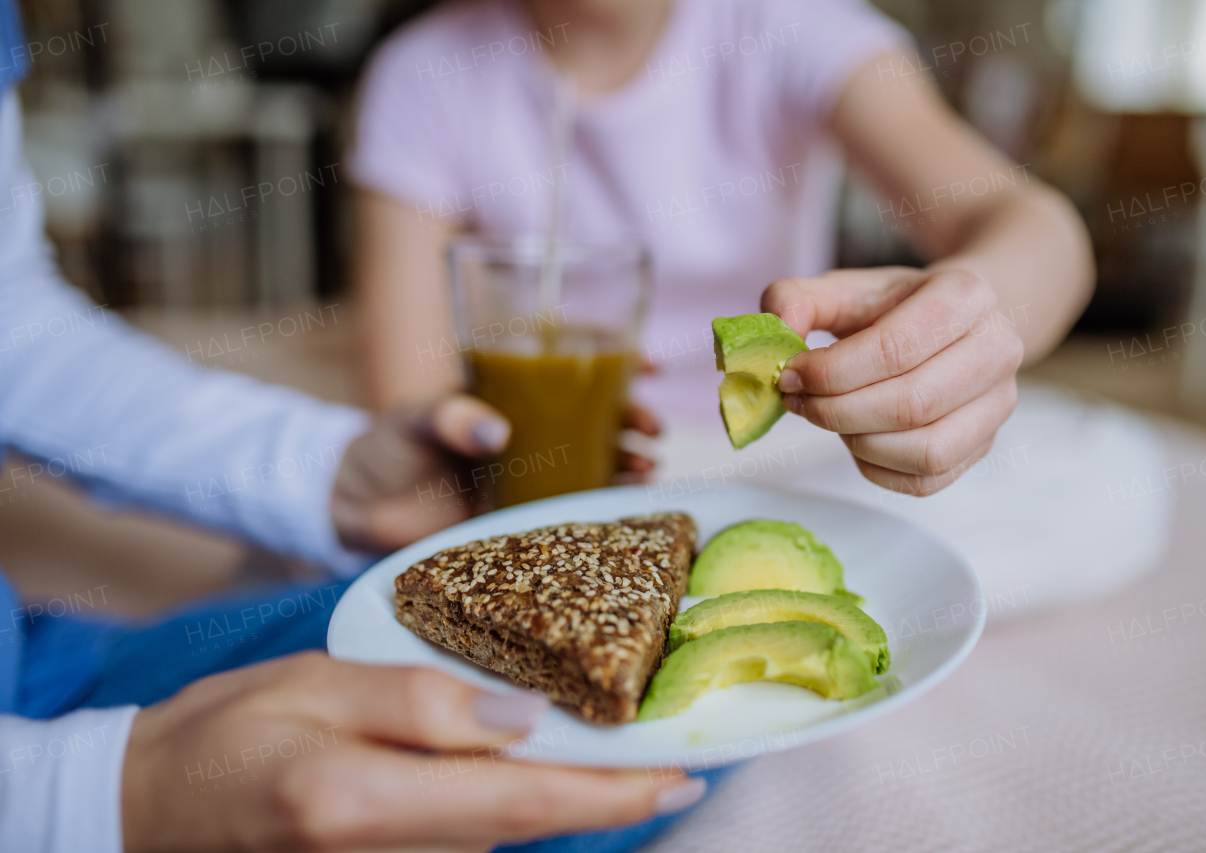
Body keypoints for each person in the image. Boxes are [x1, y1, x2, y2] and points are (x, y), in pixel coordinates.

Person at [0, 7, 707, 852]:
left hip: (39, 659)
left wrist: (329, 478)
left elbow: (10, 321)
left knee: (678, 702)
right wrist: (108, 794)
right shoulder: (431, 72)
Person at [350, 0, 1093, 497]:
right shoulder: (422, 74)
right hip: (550, 466)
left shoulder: (790, 25)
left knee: (1101, 478)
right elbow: (412, 400)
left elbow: (1034, 227)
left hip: (780, 453)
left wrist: (964, 322)